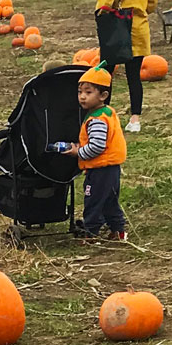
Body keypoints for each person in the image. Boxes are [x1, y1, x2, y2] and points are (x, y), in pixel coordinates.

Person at [94, 0, 158, 134]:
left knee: (106, 74)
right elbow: (152, 3)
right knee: (133, 76)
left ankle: (104, 116)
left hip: (118, 28)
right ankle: (135, 120)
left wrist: (104, 12)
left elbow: (104, 2)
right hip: (138, 27)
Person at [52, 67, 127, 240]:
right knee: (109, 201)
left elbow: (97, 147)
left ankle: (91, 233)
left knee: (93, 200)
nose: (82, 97)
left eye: (88, 92)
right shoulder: (107, 112)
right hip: (111, 168)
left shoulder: (97, 119)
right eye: (80, 92)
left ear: (102, 95)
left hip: (101, 170)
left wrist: (78, 152)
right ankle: (119, 231)